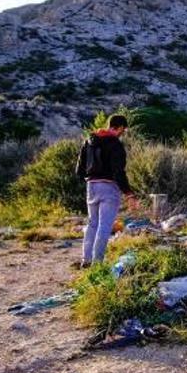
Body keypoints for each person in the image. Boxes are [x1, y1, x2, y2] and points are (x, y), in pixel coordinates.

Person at [75, 114, 134, 267]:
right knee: (104, 225)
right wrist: (129, 193)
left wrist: (92, 178)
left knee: (92, 224)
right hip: (109, 188)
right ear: (120, 127)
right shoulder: (115, 144)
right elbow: (118, 172)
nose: (123, 133)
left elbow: (79, 170)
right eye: (124, 130)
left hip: (91, 186)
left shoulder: (89, 141)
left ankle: (86, 261)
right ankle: (97, 263)